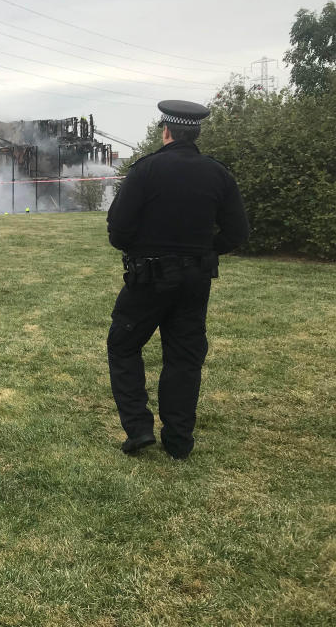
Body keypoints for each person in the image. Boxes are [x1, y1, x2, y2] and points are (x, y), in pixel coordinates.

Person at [106, 100, 249, 460]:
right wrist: (204, 252)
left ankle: (138, 429)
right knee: (184, 356)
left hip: (147, 280)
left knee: (123, 346)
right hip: (195, 281)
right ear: (196, 132)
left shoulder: (145, 171)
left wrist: (143, 247)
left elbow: (118, 231)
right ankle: (179, 441)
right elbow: (237, 231)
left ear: (166, 131)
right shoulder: (218, 174)